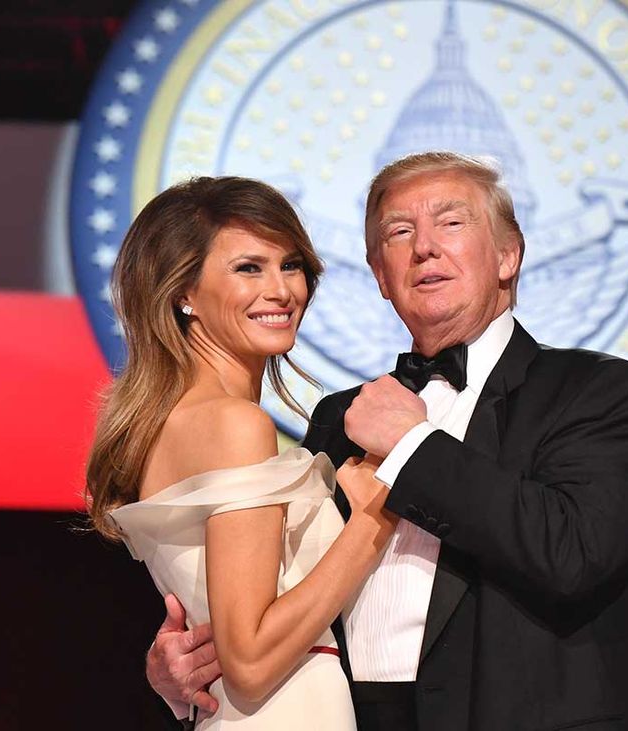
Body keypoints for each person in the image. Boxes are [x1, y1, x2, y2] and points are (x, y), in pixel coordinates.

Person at [150, 152, 628, 730]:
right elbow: (287, 601)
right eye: (400, 232)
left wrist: (413, 446)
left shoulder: (598, 392)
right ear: (379, 275)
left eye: (451, 223)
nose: (424, 247)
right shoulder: (338, 420)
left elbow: (573, 553)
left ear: (508, 255)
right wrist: (194, 660)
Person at [85, 176, 397, 729]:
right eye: (249, 268)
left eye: (291, 265)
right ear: (181, 292)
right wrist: (376, 514)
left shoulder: (179, 420)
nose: (281, 290)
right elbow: (250, 660)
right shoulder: (233, 425)